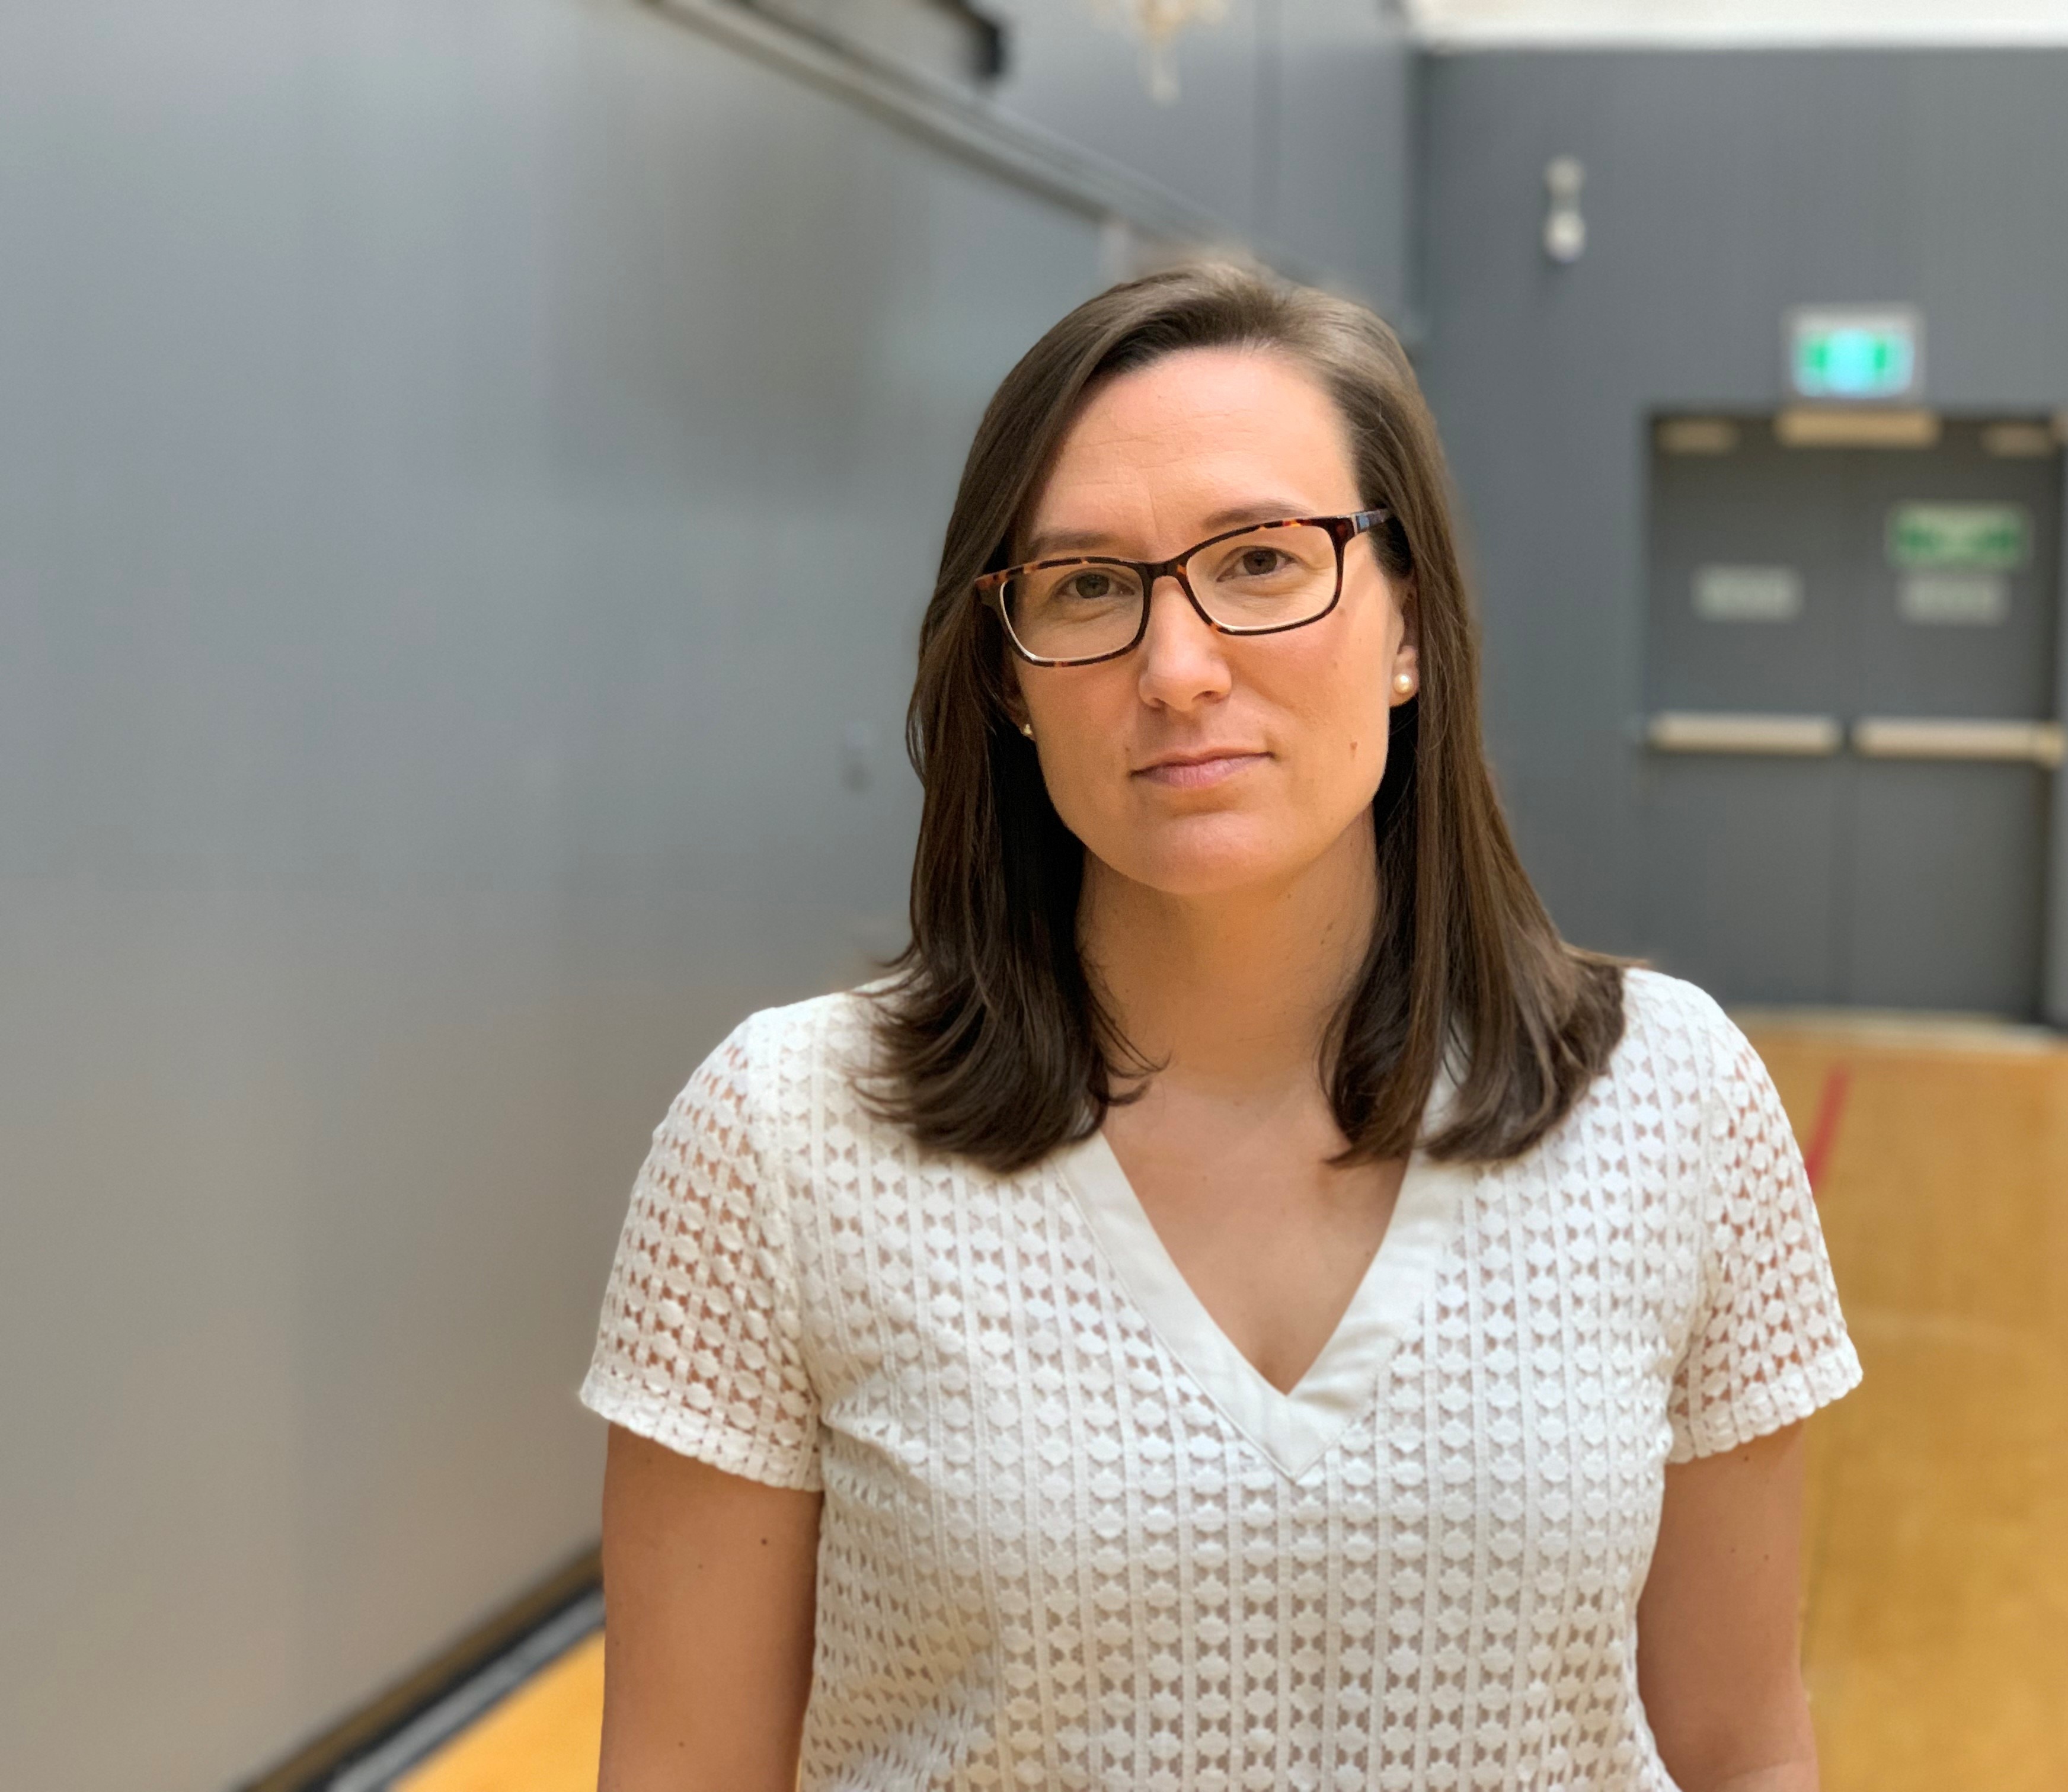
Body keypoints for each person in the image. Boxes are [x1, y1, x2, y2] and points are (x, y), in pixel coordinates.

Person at [581, 263, 1860, 1791]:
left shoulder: (1674, 1098)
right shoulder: (783, 1139)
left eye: (1261, 562)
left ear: (1411, 629)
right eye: (1088, 587)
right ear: (1007, 676)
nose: (1177, 669)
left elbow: (1740, 1749)